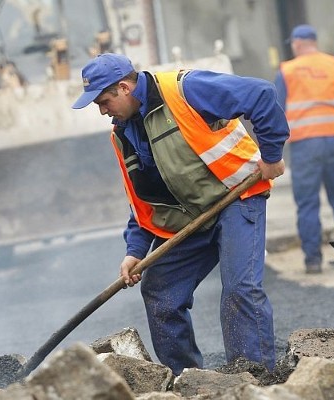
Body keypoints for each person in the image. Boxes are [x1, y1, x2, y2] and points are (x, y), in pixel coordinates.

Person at [72, 53, 289, 375]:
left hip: (236, 197)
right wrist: (135, 251)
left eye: (104, 101)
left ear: (123, 87)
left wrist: (271, 156)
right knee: (160, 293)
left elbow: (261, 94)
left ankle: (254, 378)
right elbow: (144, 201)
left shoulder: (185, 89)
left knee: (240, 289)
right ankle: (185, 379)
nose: (103, 111)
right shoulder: (122, 134)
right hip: (190, 220)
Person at [274, 24, 334, 274]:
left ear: (297, 44)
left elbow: (275, 108)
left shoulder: (287, 70)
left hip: (304, 144)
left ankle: (313, 260)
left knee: (307, 204)